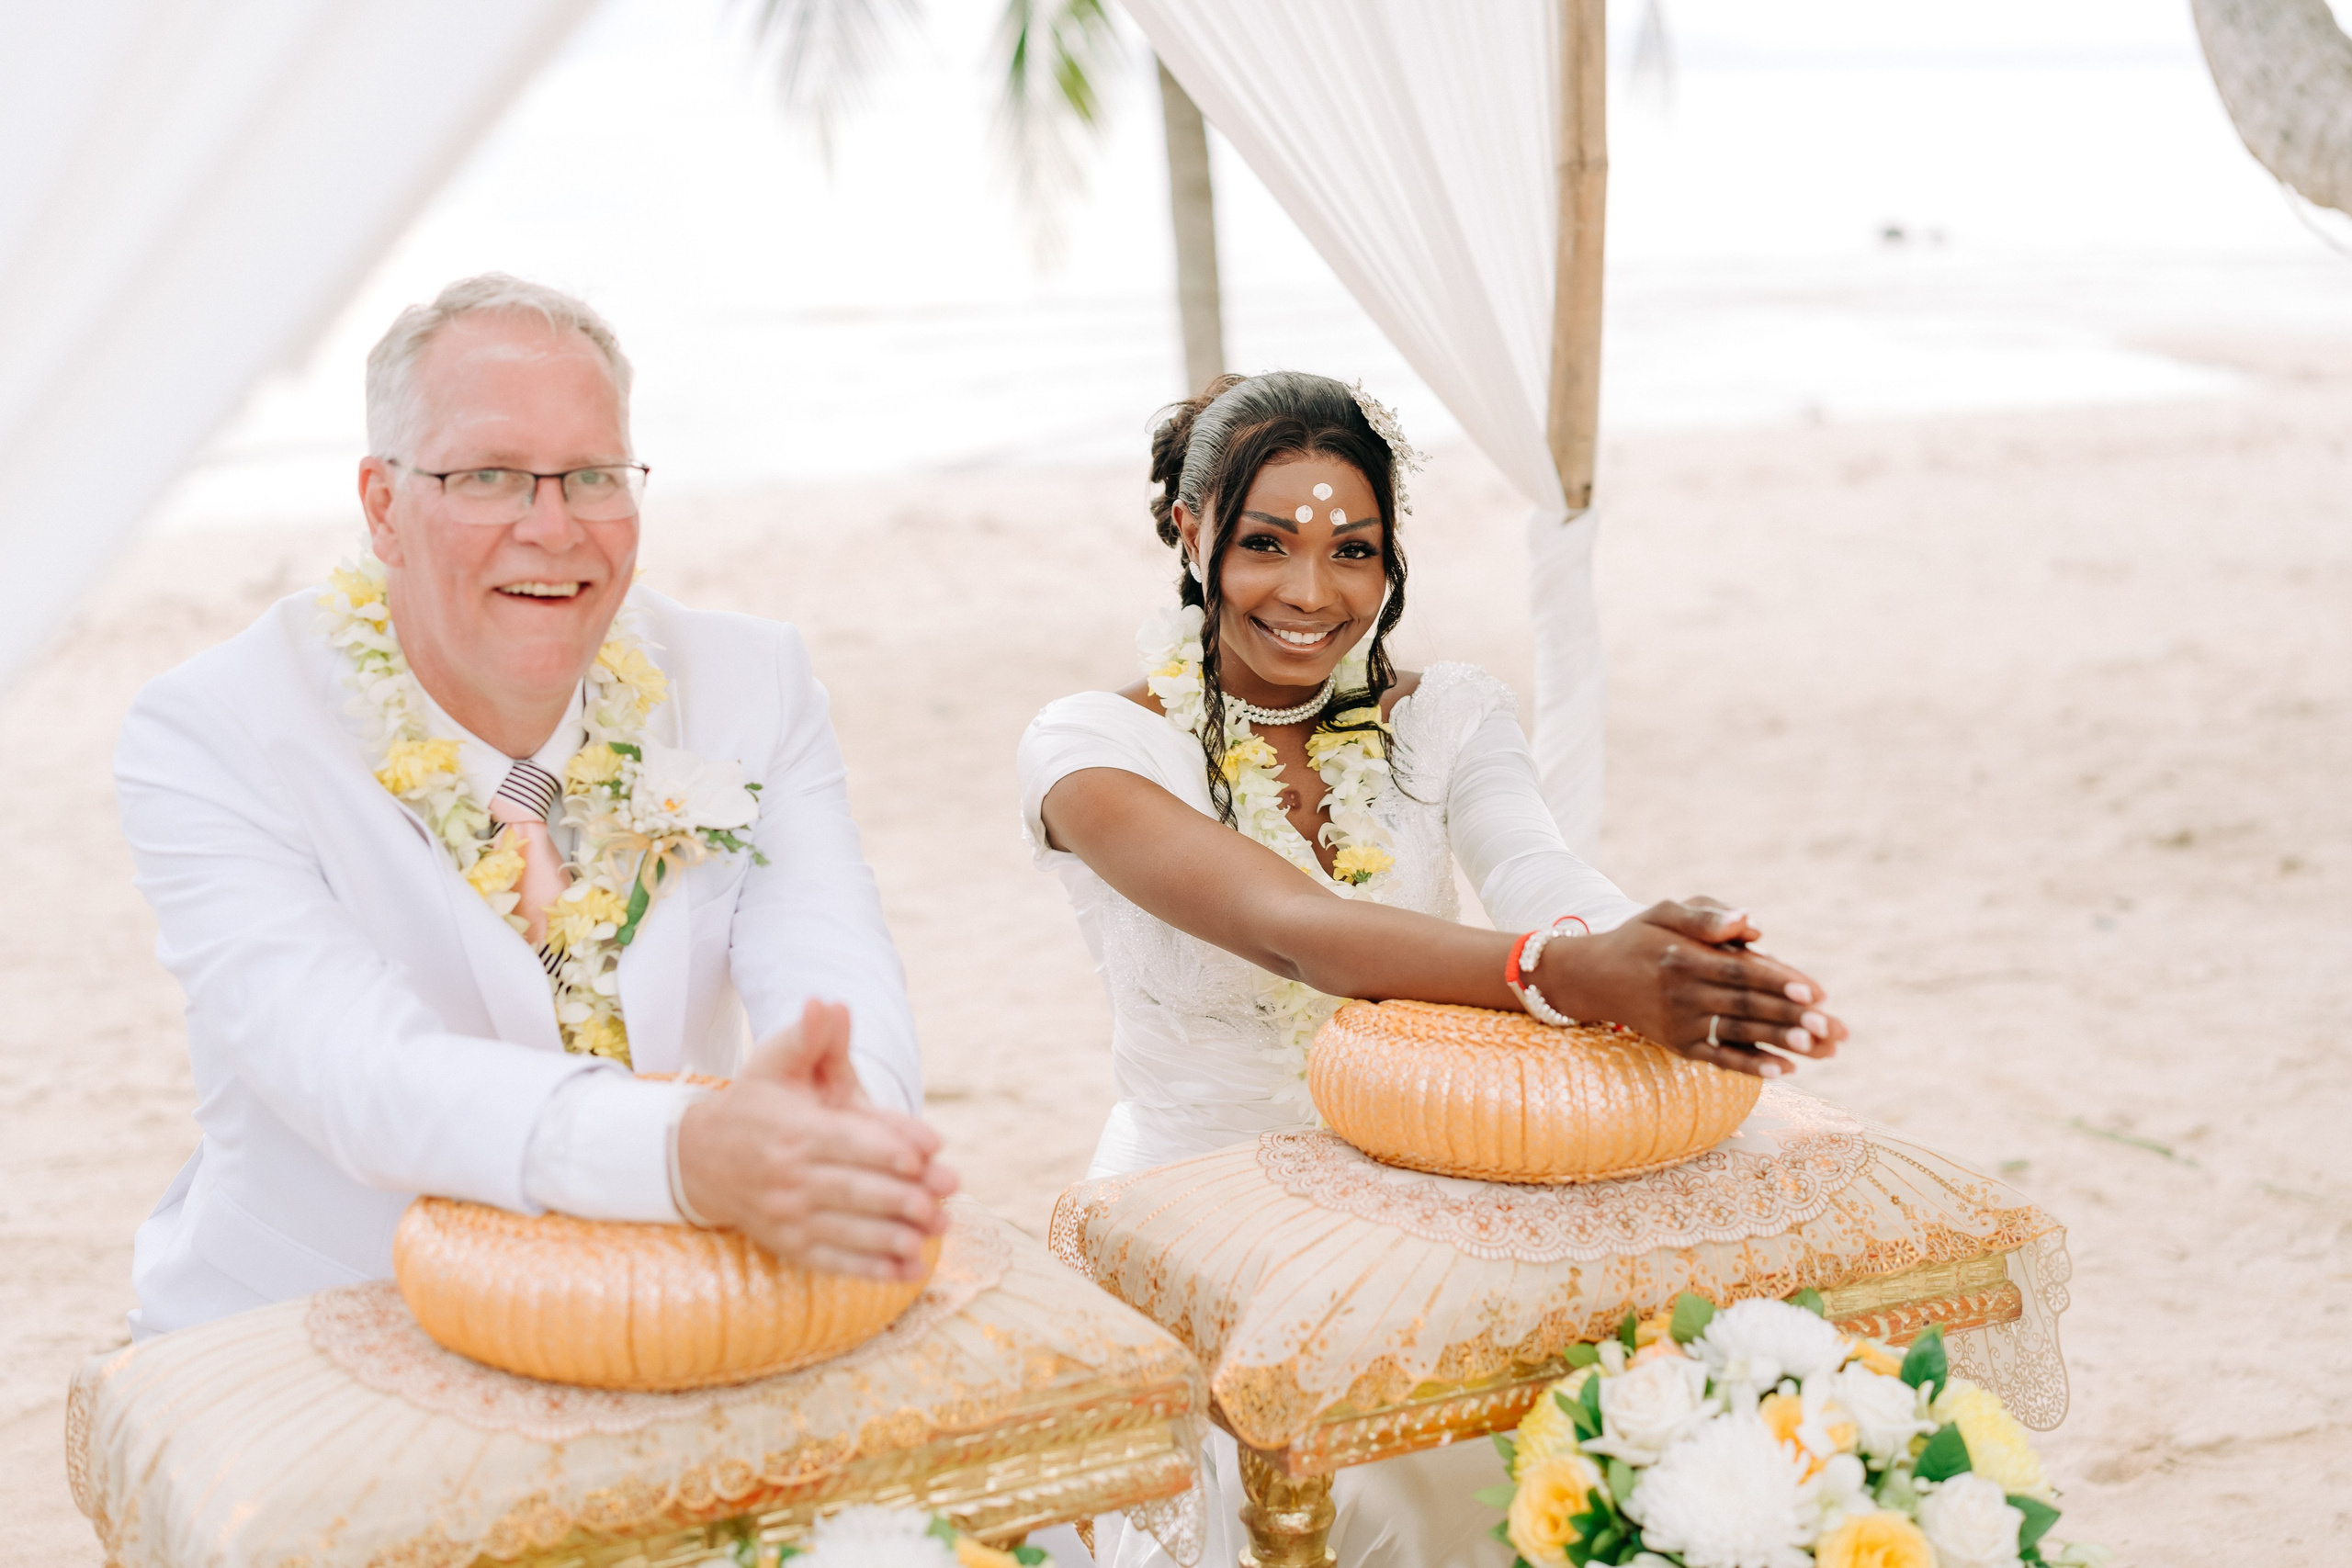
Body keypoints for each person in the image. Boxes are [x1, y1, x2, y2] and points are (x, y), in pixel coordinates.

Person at [1017, 371, 1850, 1567]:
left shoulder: (1448, 715)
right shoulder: (1094, 750)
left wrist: (1666, 950)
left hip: (1432, 1184)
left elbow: (1541, 868)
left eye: (1353, 548)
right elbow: (1294, 926)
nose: (1311, 592)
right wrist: (1571, 970)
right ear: (1187, 531)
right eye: (1266, 543)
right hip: (1193, 1216)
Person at [115, 274, 955, 1338]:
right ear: (383, 505)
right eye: (490, 476)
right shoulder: (214, 730)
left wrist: (841, 1125)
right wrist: (684, 1151)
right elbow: (358, 1071)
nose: (553, 528)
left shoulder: (752, 682)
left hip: (663, 1307)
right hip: (321, 1318)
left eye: (593, 475)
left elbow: (831, 955)